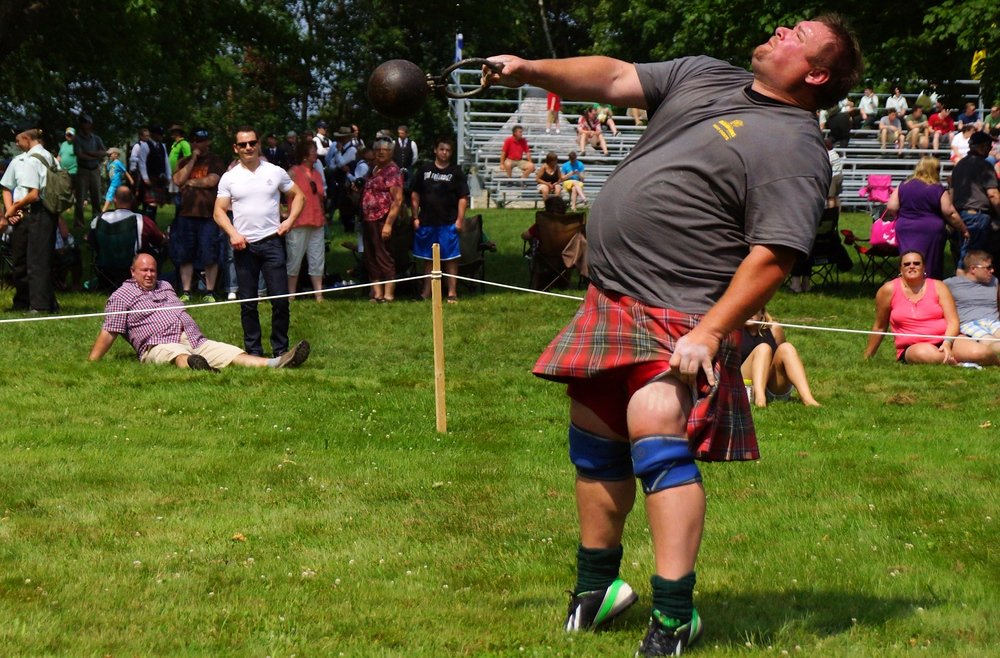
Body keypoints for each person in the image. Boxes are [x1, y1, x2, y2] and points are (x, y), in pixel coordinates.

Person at [485, 14, 862, 656]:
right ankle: (596, 589)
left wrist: (714, 333)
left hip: (686, 311)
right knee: (596, 431)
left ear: (816, 73)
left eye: (797, 34)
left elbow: (775, 253)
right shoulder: (708, 74)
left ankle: (675, 614)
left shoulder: (795, 147)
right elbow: (612, 76)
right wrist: (529, 68)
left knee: (656, 420)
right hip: (613, 296)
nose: (778, 29)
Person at [88, 253, 310, 371]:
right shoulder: (121, 296)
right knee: (176, 355)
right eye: (144, 270)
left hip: (193, 338)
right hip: (157, 344)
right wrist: (92, 363)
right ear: (132, 271)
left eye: (153, 270)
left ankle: (276, 362)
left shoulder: (165, 285)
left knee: (228, 352)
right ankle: (196, 367)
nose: (149, 274)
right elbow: (110, 331)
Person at [213, 126, 306, 357]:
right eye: (243, 145)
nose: (248, 148)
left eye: (252, 143)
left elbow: (299, 196)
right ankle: (253, 351)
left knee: (280, 301)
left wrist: (289, 221)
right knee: (248, 303)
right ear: (236, 148)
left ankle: (280, 350)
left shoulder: (275, 171)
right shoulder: (229, 177)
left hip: (273, 243)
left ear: (258, 144)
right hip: (244, 246)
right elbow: (218, 212)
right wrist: (233, 234)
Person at [863, 250, 997, 366]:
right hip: (914, 346)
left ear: (924, 267)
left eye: (916, 263)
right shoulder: (888, 290)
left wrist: (947, 343)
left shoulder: (939, 286)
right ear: (900, 268)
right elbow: (880, 326)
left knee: (980, 352)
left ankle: (994, 363)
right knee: (925, 354)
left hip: (947, 338)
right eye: (907, 264)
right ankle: (961, 364)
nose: (912, 267)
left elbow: (953, 321)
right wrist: (867, 357)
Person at [0, 119, 59, 312]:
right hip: (22, 215)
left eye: (18, 140)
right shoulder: (20, 160)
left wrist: (10, 210)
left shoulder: (41, 158)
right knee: (21, 261)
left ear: (26, 138)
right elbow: (6, 187)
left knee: (38, 261)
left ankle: (40, 305)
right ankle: (22, 302)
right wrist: (13, 210)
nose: (16, 144)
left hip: (40, 213)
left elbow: (34, 194)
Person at [884, 156, 969, 280]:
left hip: (905, 228)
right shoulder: (937, 189)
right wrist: (963, 229)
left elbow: (891, 206)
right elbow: (949, 212)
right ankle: (929, 286)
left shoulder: (903, 185)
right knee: (930, 261)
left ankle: (907, 284)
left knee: (908, 259)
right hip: (930, 230)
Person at [411, 136, 469, 302]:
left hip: (448, 222)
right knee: (428, 260)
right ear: (435, 150)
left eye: (448, 150)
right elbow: (415, 193)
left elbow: (463, 197)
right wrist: (415, 217)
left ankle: (452, 292)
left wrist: (459, 220)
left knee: (450, 259)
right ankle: (426, 293)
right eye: (442, 149)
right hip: (427, 222)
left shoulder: (456, 172)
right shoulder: (424, 170)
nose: (444, 153)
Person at [171, 127, 227, 302]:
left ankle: (209, 292)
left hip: (208, 216)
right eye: (195, 140)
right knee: (185, 254)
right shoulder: (184, 161)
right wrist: (193, 158)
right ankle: (186, 291)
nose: (198, 143)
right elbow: (178, 180)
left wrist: (190, 182)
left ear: (208, 141)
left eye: (202, 140)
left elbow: (212, 181)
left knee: (210, 254)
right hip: (186, 215)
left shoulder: (215, 160)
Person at [740, 308, 820, 407]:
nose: (749, 313)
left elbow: (780, 357)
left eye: (754, 308)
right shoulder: (732, 331)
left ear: (762, 313)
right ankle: (760, 400)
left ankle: (808, 399)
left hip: (772, 386)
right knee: (763, 349)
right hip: (746, 385)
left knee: (787, 348)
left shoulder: (774, 329)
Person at [361, 136, 404, 303]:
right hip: (368, 219)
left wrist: (388, 224)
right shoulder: (374, 168)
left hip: (383, 218)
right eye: (377, 150)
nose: (380, 153)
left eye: (384, 150)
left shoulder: (393, 171)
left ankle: (388, 294)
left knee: (384, 255)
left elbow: (398, 200)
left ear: (391, 152)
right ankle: (377, 293)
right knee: (371, 257)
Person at [950, 131, 1000, 267]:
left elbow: (952, 194)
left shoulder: (959, 166)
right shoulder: (985, 166)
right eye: (989, 146)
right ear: (983, 146)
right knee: (973, 260)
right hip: (977, 217)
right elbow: (993, 195)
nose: (990, 149)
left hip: (961, 216)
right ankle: (967, 285)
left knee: (964, 254)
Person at [286, 140, 327, 302]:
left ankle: (319, 294)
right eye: (312, 151)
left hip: (317, 221)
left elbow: (321, 197)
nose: (315, 153)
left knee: (317, 258)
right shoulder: (293, 172)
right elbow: (283, 193)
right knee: (294, 258)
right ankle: (291, 294)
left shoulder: (317, 173)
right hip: (298, 221)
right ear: (304, 155)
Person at [944, 251, 1000, 354]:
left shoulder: (994, 281)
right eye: (988, 267)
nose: (992, 270)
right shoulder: (950, 284)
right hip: (969, 324)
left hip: (994, 322)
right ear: (973, 269)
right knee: (991, 342)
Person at [73, 113, 107, 229]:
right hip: (83, 170)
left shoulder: (96, 138)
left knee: (96, 197)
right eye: (84, 122)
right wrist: (95, 156)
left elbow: (104, 152)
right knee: (80, 199)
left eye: (87, 122)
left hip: (95, 170)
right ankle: (79, 223)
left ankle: (97, 221)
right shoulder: (77, 138)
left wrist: (90, 154)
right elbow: (80, 155)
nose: (86, 124)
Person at [142, 125, 171, 221]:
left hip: (160, 178)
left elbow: (166, 162)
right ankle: (147, 222)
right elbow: (142, 162)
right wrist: (145, 178)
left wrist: (168, 177)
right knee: (150, 202)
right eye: (159, 134)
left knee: (154, 203)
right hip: (150, 177)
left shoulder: (162, 146)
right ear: (152, 134)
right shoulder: (145, 145)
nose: (161, 136)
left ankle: (150, 222)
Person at [101, 148, 133, 212]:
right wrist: (105, 166)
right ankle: (118, 210)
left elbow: (125, 171)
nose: (109, 156)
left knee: (109, 195)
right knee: (117, 197)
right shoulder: (110, 163)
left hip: (115, 183)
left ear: (116, 154)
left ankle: (103, 211)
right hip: (113, 183)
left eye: (110, 154)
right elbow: (108, 173)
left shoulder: (118, 163)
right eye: (108, 155)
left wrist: (131, 180)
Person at [57, 127, 77, 195]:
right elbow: (59, 156)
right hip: (63, 171)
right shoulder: (63, 144)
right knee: (65, 188)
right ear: (65, 135)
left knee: (72, 189)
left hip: (74, 171)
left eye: (71, 135)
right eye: (68, 135)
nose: (69, 136)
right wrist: (56, 163)